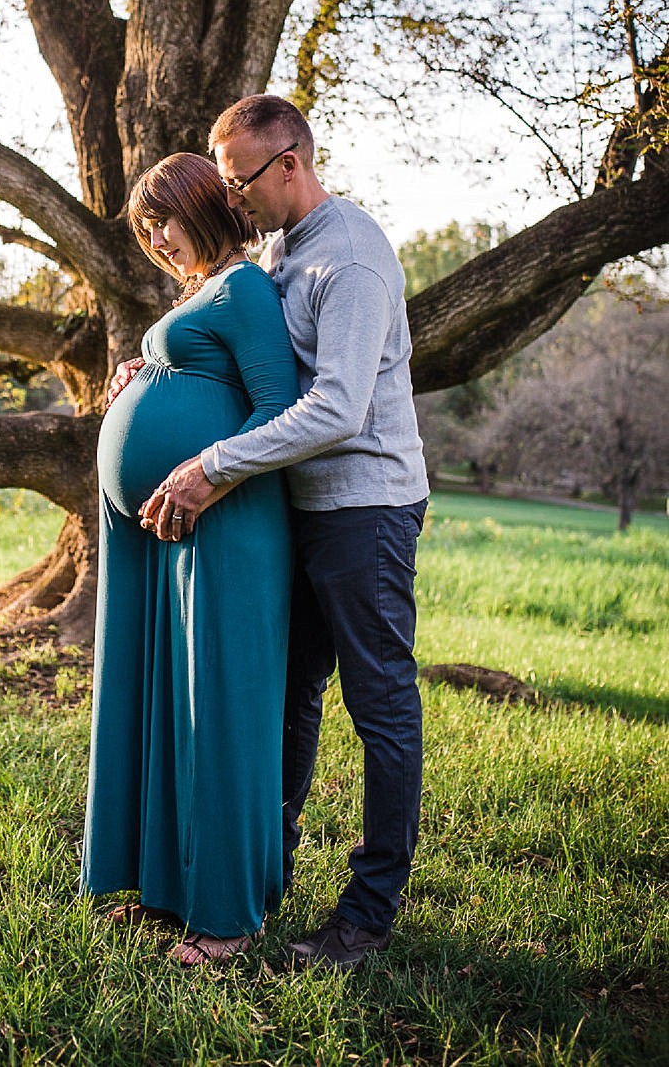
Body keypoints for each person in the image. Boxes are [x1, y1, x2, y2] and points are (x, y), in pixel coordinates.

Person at [138, 96, 429, 974]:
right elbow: (243, 357)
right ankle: (266, 871)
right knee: (292, 694)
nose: (230, 201)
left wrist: (213, 465)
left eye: (238, 182)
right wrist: (153, 368)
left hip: (365, 509)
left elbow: (337, 408)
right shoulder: (280, 250)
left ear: (289, 164)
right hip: (299, 507)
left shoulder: (351, 262)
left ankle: (368, 915)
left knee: (379, 706)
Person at [80, 152, 300, 965]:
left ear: (206, 206)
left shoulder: (244, 286)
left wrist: (201, 469)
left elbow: (279, 405)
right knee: (165, 704)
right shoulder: (204, 291)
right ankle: (167, 887)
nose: (159, 239)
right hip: (165, 528)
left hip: (224, 519)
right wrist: (147, 376)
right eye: (147, 229)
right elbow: (208, 378)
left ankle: (229, 917)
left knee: (220, 715)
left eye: (166, 220)